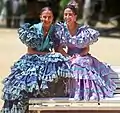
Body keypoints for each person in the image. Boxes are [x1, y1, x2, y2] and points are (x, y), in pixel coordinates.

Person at [1, 7, 71, 113]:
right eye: (44, 17)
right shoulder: (34, 29)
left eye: (49, 17)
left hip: (47, 59)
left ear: (53, 18)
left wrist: (68, 57)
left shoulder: (55, 30)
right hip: (33, 58)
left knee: (59, 63)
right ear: (40, 17)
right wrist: (48, 54)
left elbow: (58, 48)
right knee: (25, 84)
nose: (47, 19)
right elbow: (30, 51)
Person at [53, 4, 117, 101]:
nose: (67, 17)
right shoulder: (61, 29)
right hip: (69, 56)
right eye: (65, 14)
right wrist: (68, 56)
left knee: (79, 63)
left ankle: (85, 93)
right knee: (70, 63)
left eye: (70, 14)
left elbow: (86, 49)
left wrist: (78, 56)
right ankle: (71, 91)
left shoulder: (83, 30)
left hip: (82, 56)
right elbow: (59, 48)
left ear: (75, 16)